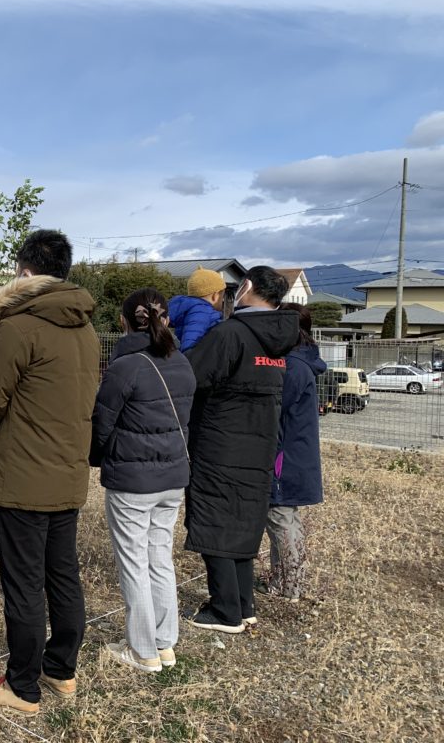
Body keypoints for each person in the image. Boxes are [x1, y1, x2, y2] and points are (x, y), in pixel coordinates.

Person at [0, 230, 100, 717]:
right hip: (68, 473)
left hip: (22, 476)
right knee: (63, 575)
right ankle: (61, 671)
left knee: (23, 583)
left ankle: (21, 686)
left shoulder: (19, 327)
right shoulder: (83, 328)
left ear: (24, 273)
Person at [182, 266, 298, 633]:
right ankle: (244, 603)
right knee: (245, 521)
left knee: (215, 520)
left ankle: (224, 610)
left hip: (219, 441)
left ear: (246, 287)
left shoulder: (231, 334)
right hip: (262, 443)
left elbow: (191, 376)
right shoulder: (279, 339)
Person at [90, 288, 196, 673]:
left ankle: (142, 651)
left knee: (134, 561)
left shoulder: (124, 366)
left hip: (132, 481)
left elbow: (102, 423)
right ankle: (165, 644)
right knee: (159, 557)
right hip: (173, 477)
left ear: (122, 321)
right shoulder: (182, 363)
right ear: (165, 319)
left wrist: (94, 459)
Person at [263, 303, 325, 603]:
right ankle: (284, 582)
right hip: (294, 454)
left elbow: (275, 408)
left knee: (280, 517)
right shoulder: (303, 362)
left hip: (283, 459)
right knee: (287, 519)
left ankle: (290, 587)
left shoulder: (293, 367)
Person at [167, 267, 225, 352]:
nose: (223, 300)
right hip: (195, 362)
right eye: (222, 296)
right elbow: (189, 344)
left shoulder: (190, 309)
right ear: (215, 296)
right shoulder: (202, 311)